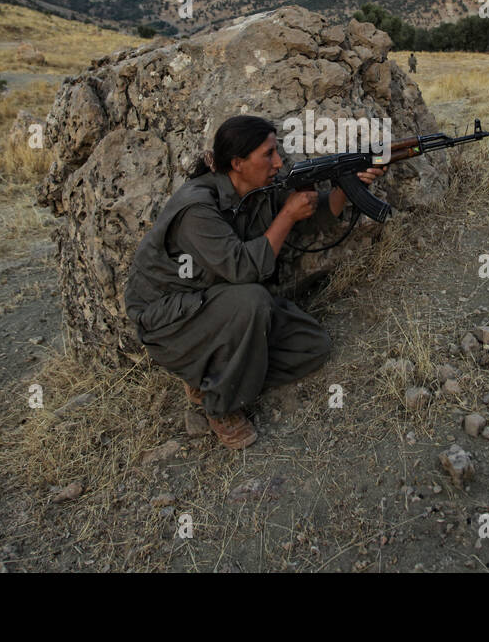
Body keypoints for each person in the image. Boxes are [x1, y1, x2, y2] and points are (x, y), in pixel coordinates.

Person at [124, 115, 384, 450]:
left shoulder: (258, 191)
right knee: (253, 300)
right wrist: (286, 215)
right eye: (268, 154)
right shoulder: (196, 209)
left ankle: (209, 374)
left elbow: (313, 218)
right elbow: (244, 268)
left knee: (312, 345)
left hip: (220, 306)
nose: (278, 162)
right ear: (238, 163)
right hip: (171, 320)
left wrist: (347, 187)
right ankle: (221, 406)